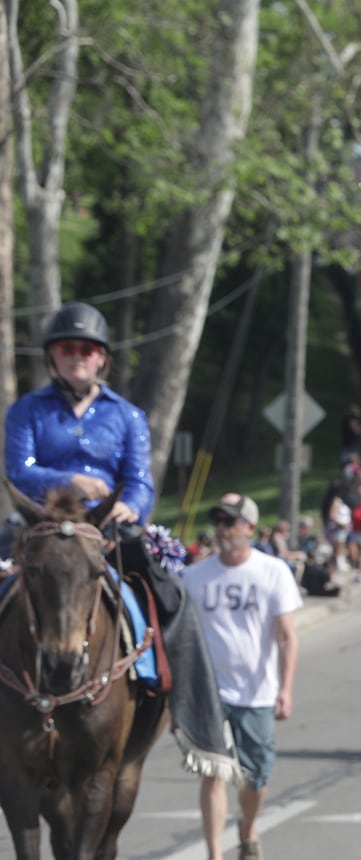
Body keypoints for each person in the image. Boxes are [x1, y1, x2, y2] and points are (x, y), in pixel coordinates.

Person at [4, 302, 241, 779]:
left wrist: (128, 506)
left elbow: (139, 481)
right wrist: (72, 481)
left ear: (102, 359)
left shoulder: (128, 415)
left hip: (107, 529)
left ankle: (195, 718)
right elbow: (18, 471)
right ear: (53, 357)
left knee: (173, 597)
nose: (77, 356)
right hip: (40, 526)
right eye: (67, 348)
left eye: (87, 349)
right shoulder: (27, 410)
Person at [181, 493, 303, 860]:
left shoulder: (272, 572)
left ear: (250, 527)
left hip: (257, 692)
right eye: (218, 520)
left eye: (231, 521)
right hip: (209, 693)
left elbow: (287, 637)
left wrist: (285, 688)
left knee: (253, 777)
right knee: (214, 773)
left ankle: (247, 832)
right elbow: (182, 639)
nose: (223, 528)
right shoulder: (194, 576)